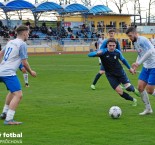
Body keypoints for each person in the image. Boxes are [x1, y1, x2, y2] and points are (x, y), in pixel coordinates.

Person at [0, 25, 36, 125]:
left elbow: (0, 54)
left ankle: (4, 113)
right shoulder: (22, 44)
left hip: (1, 70)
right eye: (28, 33)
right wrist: (31, 71)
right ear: (24, 33)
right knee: (19, 95)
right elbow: (24, 62)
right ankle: (9, 119)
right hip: (8, 73)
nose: (28, 35)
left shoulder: (10, 42)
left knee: (12, 92)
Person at [88, 38, 139, 106]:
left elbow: (123, 60)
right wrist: (96, 53)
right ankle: (133, 100)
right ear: (107, 45)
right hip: (110, 75)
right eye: (110, 45)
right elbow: (89, 54)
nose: (112, 47)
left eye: (113, 45)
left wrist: (130, 68)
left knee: (128, 88)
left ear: (115, 45)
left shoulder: (117, 52)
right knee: (119, 92)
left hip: (120, 72)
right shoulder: (103, 51)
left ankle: (136, 91)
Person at [126, 26, 155, 115]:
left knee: (150, 90)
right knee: (140, 88)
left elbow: (151, 51)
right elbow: (140, 54)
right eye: (128, 36)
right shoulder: (135, 42)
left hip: (154, 66)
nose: (130, 38)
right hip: (146, 67)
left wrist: (138, 63)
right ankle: (148, 109)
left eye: (130, 36)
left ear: (135, 33)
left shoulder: (143, 39)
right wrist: (136, 64)